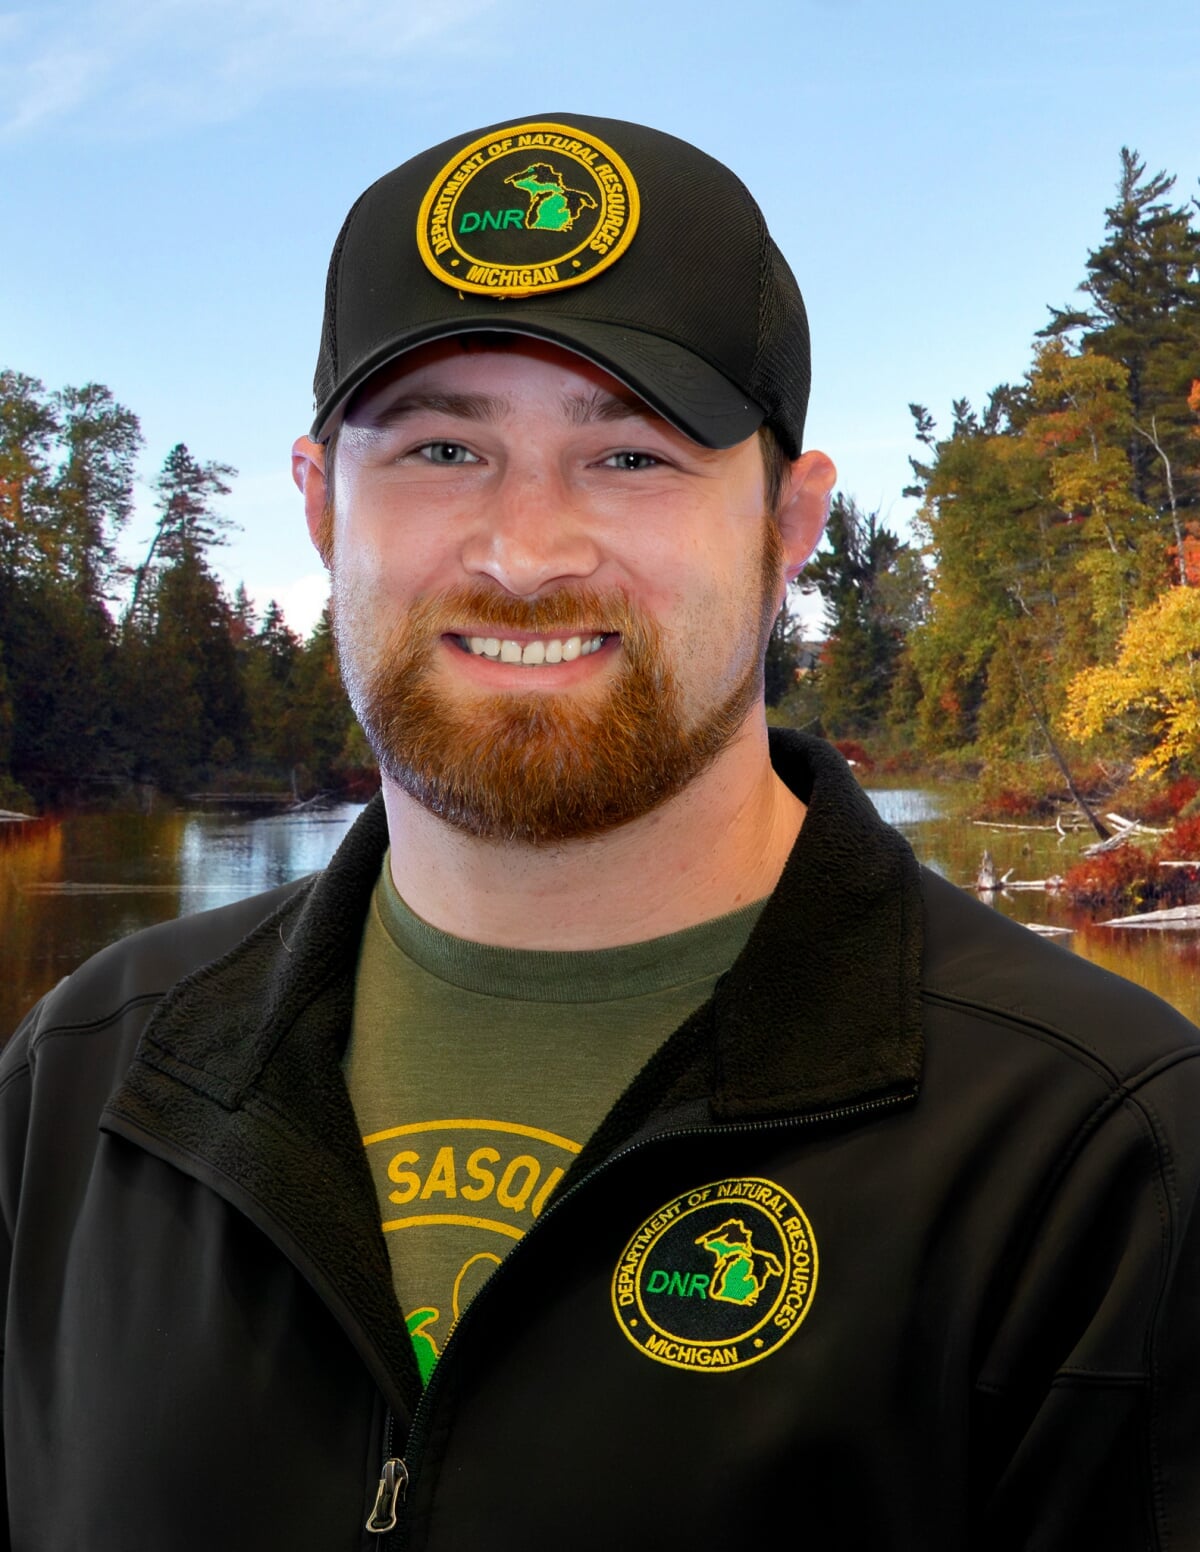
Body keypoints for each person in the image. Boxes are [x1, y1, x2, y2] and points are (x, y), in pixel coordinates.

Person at [2, 112, 1198, 1551]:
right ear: (321, 505)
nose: (526, 552)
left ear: (791, 521)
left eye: (630, 458)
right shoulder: (84, 1084)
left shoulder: (1103, 1153)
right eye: (443, 447)